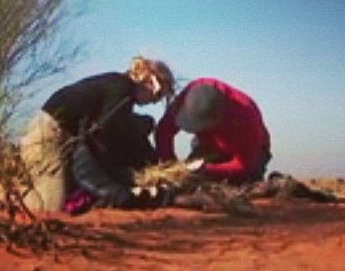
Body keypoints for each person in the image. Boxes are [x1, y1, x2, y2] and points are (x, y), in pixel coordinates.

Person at [20, 56, 175, 213]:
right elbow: (106, 132)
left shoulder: (118, 87)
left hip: (58, 135)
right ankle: (11, 187)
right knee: (49, 207)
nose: (155, 102)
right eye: (158, 96)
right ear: (150, 82)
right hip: (49, 133)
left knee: (65, 195)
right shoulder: (122, 90)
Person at [155, 78, 271, 183]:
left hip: (249, 153)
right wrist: (170, 164)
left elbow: (244, 166)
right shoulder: (195, 90)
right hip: (208, 145)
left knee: (240, 185)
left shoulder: (246, 117)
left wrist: (207, 170)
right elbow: (164, 130)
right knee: (186, 182)